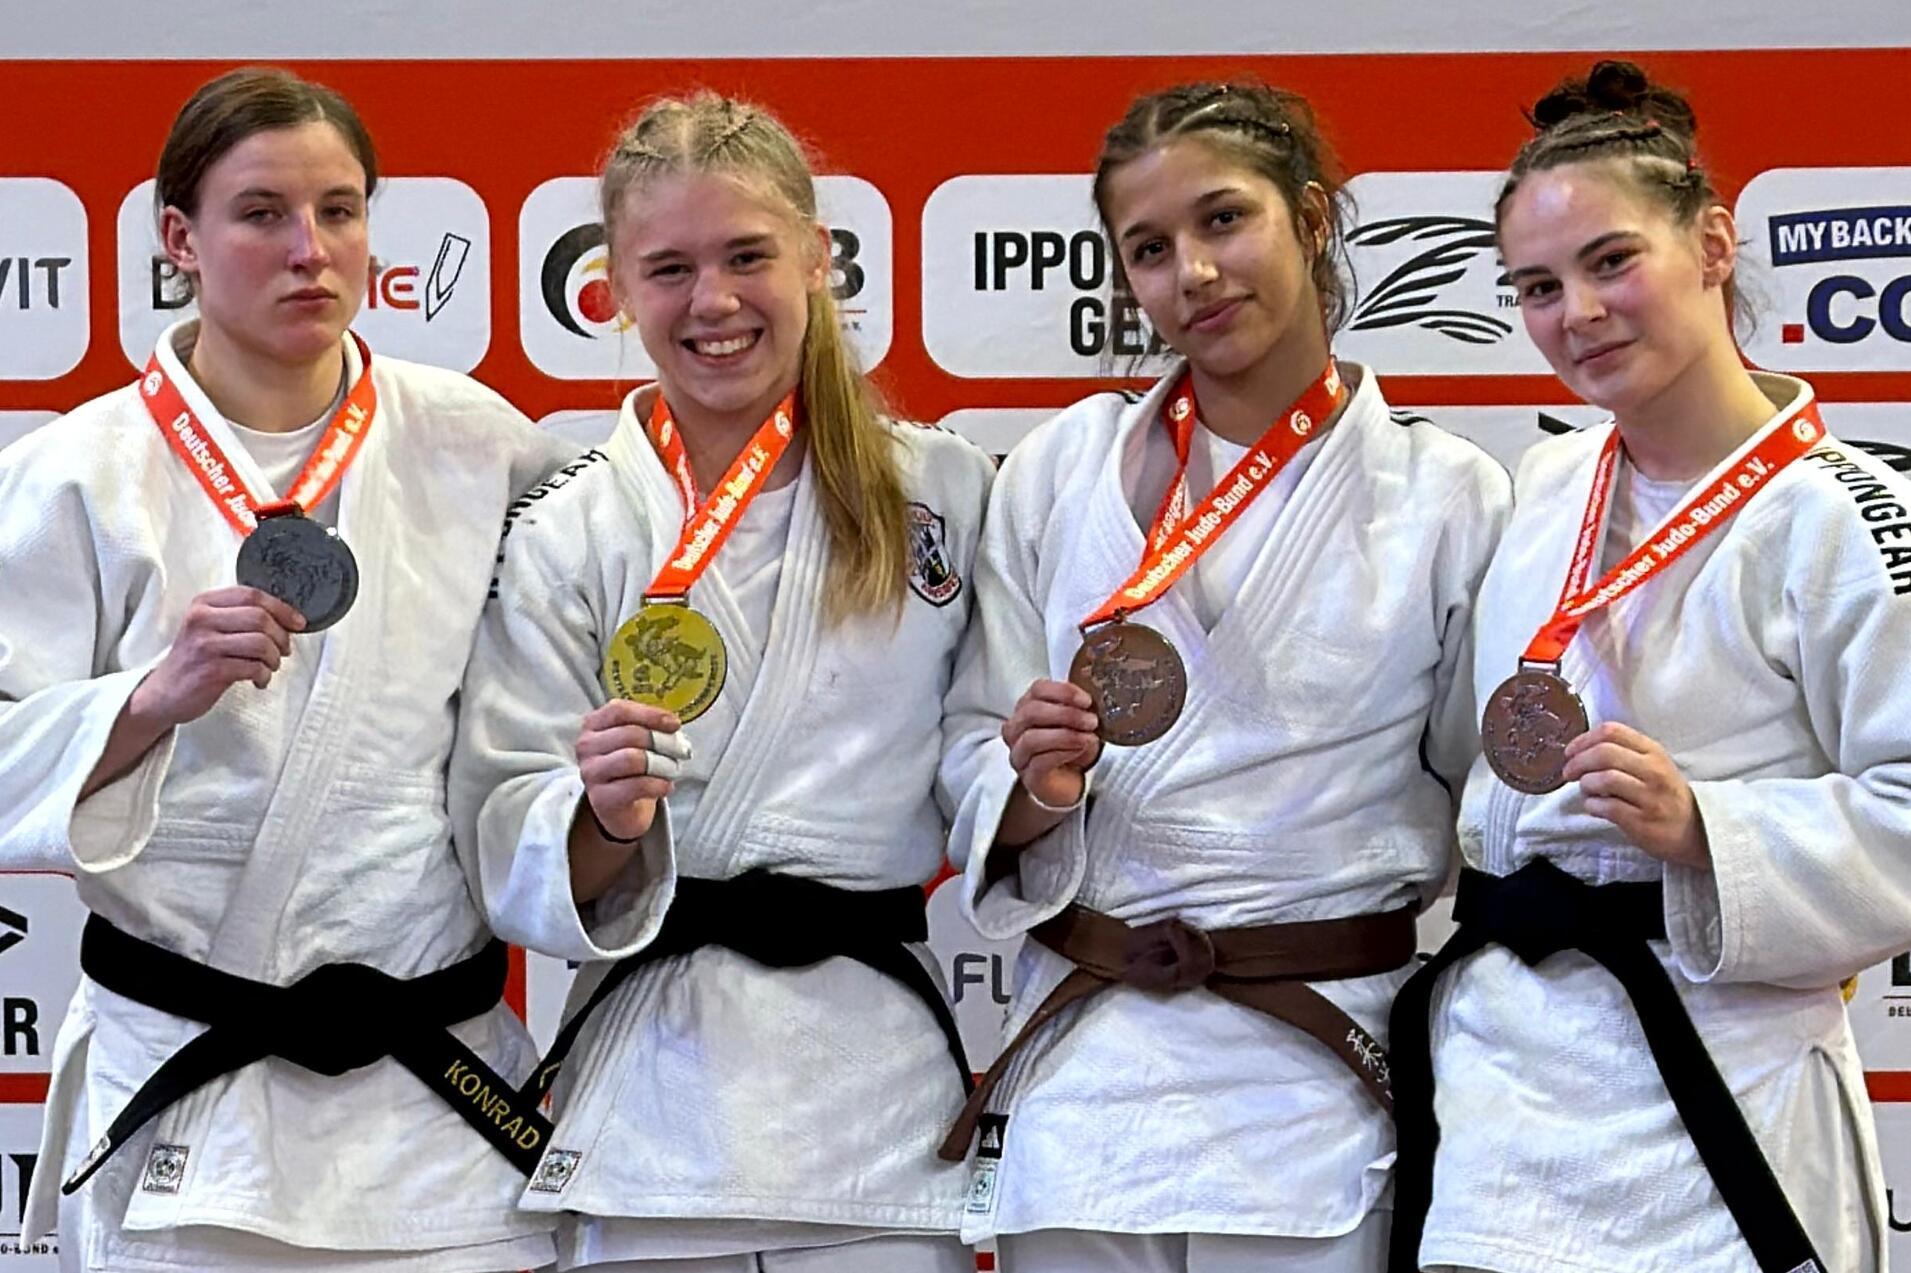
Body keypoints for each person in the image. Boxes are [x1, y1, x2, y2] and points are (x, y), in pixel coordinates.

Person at [0, 67, 572, 1272]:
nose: (310, 249)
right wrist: (147, 700)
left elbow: (561, 688)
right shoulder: (75, 473)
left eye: (339, 210)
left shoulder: (479, 443)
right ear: (180, 239)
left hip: (432, 1096)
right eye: (262, 213)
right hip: (191, 1091)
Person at [937, 80, 1510, 1272]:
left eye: (1224, 220)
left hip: (1315, 1073)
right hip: (1089, 1080)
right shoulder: (1059, 471)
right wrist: (1032, 786)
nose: (1192, 273)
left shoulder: (1445, 495)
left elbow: (1489, 799)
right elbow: (971, 741)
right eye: (1149, 249)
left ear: (1311, 218)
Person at [450, 92, 990, 1273]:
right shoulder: (568, 526)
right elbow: (506, 827)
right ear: (615, 289)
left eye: (748, 256)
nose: (714, 301)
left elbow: (984, 756)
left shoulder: (942, 493)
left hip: (878, 1108)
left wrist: (1038, 770)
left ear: (816, 256)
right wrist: (601, 818)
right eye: (670, 269)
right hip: (655, 1107)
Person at [1387, 60, 1907, 1273]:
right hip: (1511, 1101)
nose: (1578, 313)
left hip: (1722, 1087)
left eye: (1611, 261)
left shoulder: (1842, 515)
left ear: (1713, 245)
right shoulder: (1546, 485)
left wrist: (1707, 829)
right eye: (1538, 287)